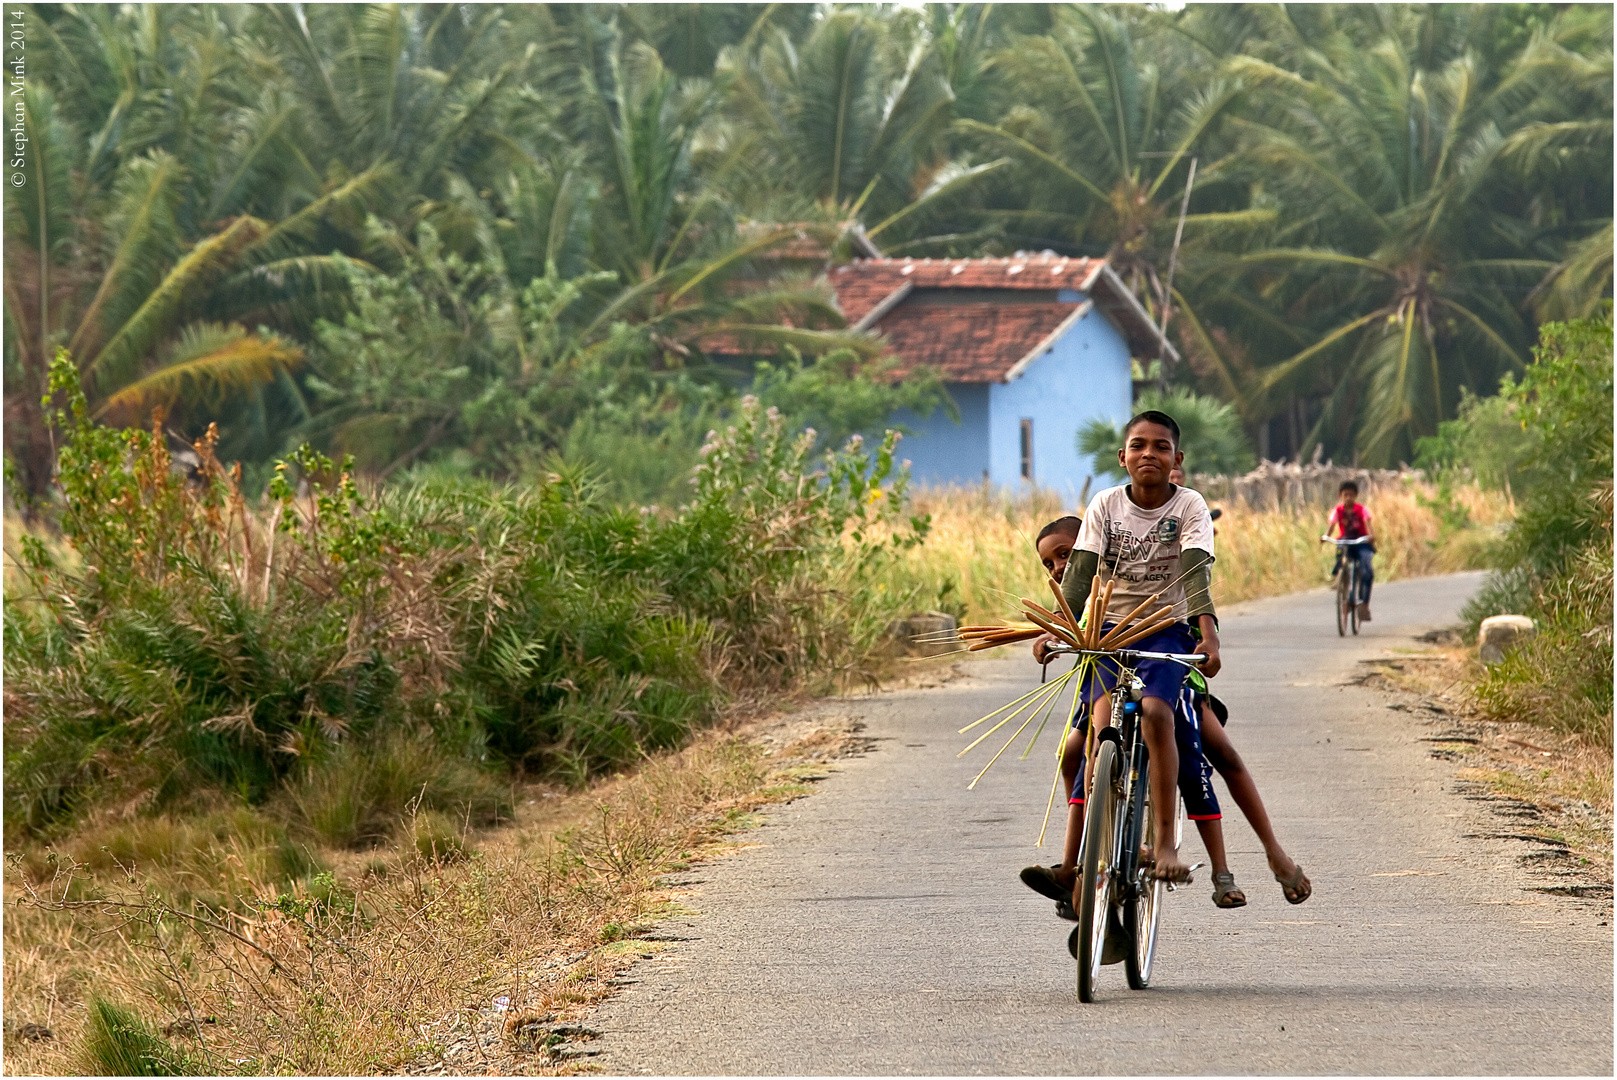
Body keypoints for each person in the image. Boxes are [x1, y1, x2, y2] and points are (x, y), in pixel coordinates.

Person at [1025, 509, 1311, 909]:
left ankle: (1247, 860)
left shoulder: (1173, 563)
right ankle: (1078, 871)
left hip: (1171, 671)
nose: (1059, 568)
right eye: (1050, 564)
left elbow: (1196, 606)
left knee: (1206, 760)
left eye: (1065, 557)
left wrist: (1205, 641)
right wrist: (1051, 633)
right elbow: (1070, 621)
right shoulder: (1093, 590)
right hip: (1107, 677)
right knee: (1080, 751)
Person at [1323, 480, 1375, 622]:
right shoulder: (1337, 511)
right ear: (1341, 496)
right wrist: (1326, 536)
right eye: (1345, 495)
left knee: (1367, 571)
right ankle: (1339, 574)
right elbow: (1332, 525)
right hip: (1345, 540)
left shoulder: (1362, 510)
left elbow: (1368, 524)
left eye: (1351, 495)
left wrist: (1371, 536)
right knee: (1340, 551)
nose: (1348, 498)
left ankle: (1363, 604)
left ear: (1356, 496)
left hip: (1361, 542)